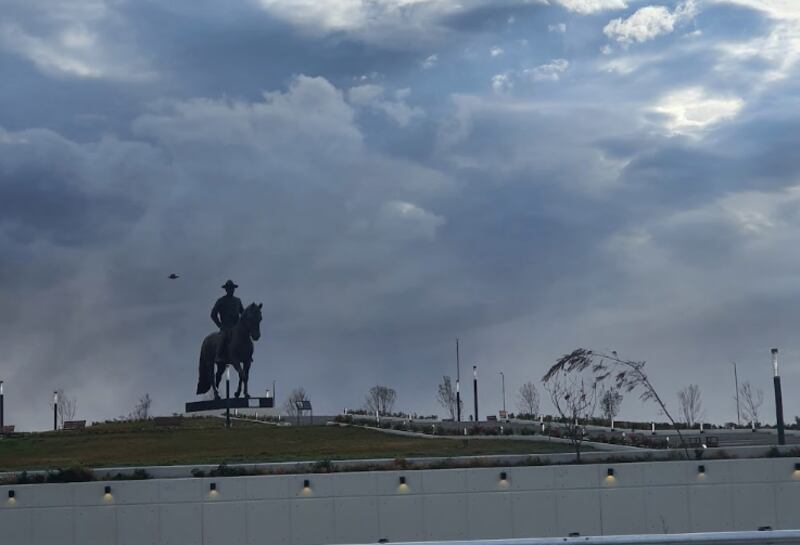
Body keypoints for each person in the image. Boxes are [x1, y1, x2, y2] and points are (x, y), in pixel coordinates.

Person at [211, 280, 244, 364]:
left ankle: (247, 355)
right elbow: (213, 314)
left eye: (232, 288)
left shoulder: (238, 301)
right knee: (222, 337)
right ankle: (218, 355)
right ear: (226, 290)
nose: (231, 290)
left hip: (236, 327)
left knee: (246, 337)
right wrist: (219, 325)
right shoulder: (221, 301)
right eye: (229, 288)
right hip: (225, 327)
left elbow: (243, 313)